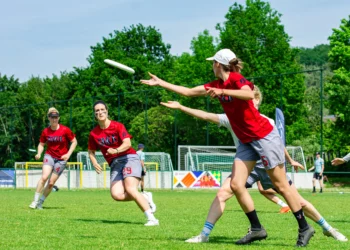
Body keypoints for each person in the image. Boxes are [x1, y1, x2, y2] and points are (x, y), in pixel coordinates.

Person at [141, 48, 314, 247]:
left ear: (218, 64)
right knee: (236, 184)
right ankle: (257, 228)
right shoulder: (215, 84)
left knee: (281, 185)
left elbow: (248, 94)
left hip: (264, 136)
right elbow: (188, 92)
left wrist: (223, 91)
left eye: (212, 63)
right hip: (247, 141)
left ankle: (304, 227)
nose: (211, 67)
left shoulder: (236, 79)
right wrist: (160, 82)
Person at [161, 89, 348, 243]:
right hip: (246, 164)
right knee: (222, 193)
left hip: (267, 164)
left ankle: (328, 228)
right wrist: (181, 107)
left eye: (253, 100)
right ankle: (205, 235)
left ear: (256, 101)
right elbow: (206, 116)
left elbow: (277, 145)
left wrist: (290, 160)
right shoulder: (231, 118)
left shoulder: (267, 121)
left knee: (297, 201)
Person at [88, 100, 158, 226]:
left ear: (107, 111)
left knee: (130, 189)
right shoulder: (94, 133)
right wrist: (94, 162)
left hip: (129, 158)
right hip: (114, 164)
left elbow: (127, 144)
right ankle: (145, 197)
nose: (100, 112)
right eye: (97, 110)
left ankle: (151, 218)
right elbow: (91, 151)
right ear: (95, 114)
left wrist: (115, 150)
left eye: (102, 109)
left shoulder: (118, 126)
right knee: (116, 195)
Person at [29, 107, 77, 209]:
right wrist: (39, 153)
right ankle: (34, 201)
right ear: (49, 118)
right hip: (49, 156)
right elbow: (41, 144)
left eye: (56, 117)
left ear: (58, 118)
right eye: (52, 117)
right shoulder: (45, 131)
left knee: (51, 183)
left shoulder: (65, 130)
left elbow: (74, 142)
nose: (54, 119)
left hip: (61, 159)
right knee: (44, 177)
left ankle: (40, 203)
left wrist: (68, 154)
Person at [137, 143, 157, 213]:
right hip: (140, 168)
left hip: (135, 168)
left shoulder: (135, 153)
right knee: (142, 180)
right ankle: (142, 191)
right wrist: (144, 168)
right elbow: (142, 161)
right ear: (142, 148)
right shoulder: (142, 153)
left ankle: (135, 190)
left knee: (137, 180)